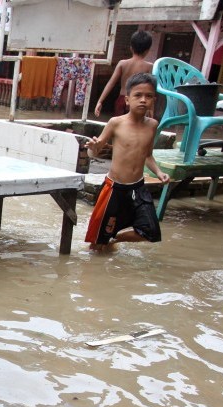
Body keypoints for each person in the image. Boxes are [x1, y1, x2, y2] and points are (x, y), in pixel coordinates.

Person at [84, 73, 170, 252]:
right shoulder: (116, 123)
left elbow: (148, 155)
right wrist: (94, 146)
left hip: (137, 188)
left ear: (154, 99)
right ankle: (105, 244)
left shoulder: (152, 125)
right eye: (138, 95)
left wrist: (159, 172)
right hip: (114, 188)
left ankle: (115, 239)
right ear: (128, 99)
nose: (143, 100)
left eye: (148, 96)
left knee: (151, 231)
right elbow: (94, 152)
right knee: (97, 244)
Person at [94, 30, 153, 118]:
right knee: (135, 128)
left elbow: (111, 83)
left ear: (131, 48)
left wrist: (100, 101)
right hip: (137, 101)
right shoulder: (149, 66)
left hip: (122, 99)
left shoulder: (122, 63)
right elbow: (150, 89)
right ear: (147, 50)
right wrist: (151, 110)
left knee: (119, 126)